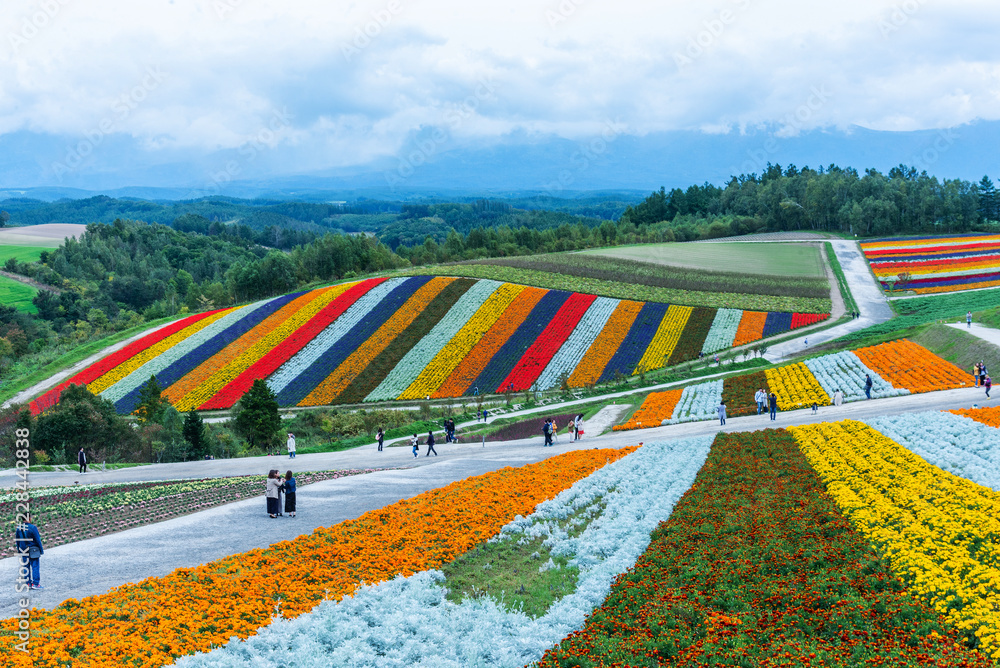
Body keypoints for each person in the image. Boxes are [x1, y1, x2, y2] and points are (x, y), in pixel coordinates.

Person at [15, 513, 44, 590]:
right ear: (29, 518)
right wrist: (41, 550)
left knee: (26, 567)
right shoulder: (33, 527)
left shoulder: (19, 528)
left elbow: (17, 541)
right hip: (33, 549)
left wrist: (19, 550)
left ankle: (28, 583)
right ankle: (36, 584)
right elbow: (38, 540)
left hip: (23, 550)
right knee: (35, 566)